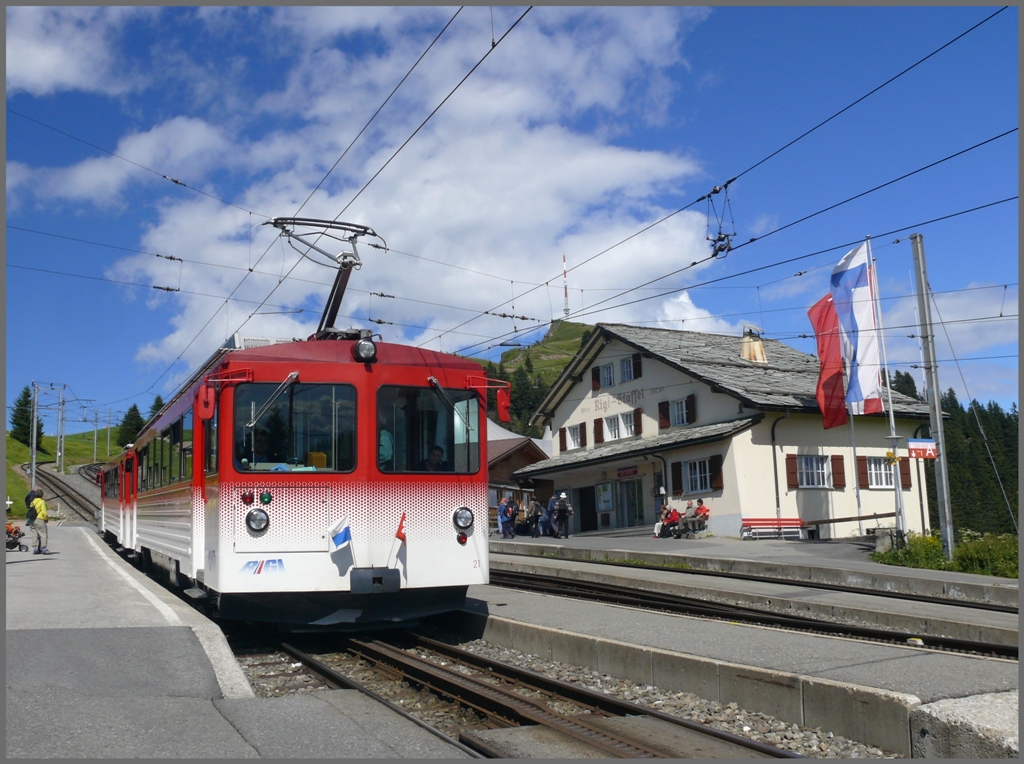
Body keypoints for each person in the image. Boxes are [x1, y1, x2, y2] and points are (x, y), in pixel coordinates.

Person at [28, 488, 50, 555]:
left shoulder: (32, 501)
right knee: (43, 534)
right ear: (42, 495)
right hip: (39, 519)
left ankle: (35, 549)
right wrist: (46, 519)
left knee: (35, 534)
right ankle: (43, 548)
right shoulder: (41, 502)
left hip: (32, 520)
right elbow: (44, 512)